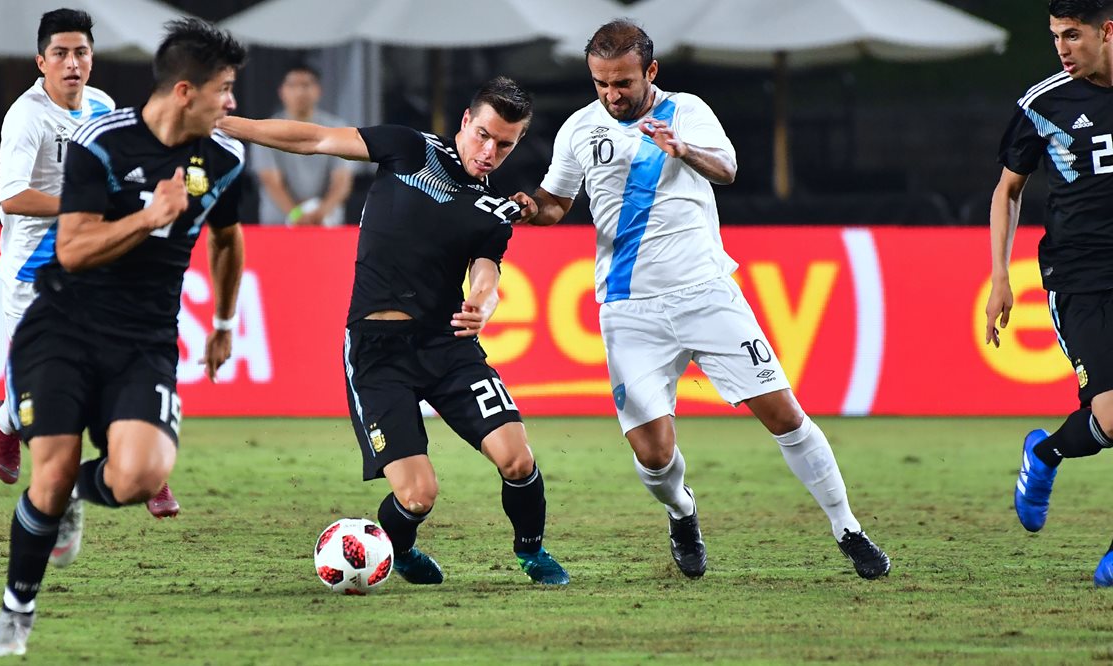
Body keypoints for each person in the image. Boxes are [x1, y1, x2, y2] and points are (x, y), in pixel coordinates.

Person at [518, 20, 889, 581]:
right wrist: (531, 208)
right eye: (600, 83)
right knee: (654, 455)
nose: (611, 95)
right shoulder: (578, 129)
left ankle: (848, 529)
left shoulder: (686, 111)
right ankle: (682, 511)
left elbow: (729, 169)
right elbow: (556, 203)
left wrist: (681, 149)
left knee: (784, 414)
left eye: (622, 83)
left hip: (706, 294)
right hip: (628, 309)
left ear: (651, 71)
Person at [217, 76, 569, 587]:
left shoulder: (493, 210)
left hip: (448, 347)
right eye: (484, 135)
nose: (490, 152)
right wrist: (225, 123)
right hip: (378, 353)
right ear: (466, 122)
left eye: (506, 144)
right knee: (418, 495)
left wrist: (484, 306)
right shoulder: (408, 148)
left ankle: (532, 552)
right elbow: (314, 139)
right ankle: (400, 550)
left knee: (517, 459)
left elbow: (487, 270)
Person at [0, 18, 248, 657]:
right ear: (185, 91)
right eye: (224, 89)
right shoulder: (102, 141)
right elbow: (70, 249)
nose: (232, 104)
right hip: (63, 327)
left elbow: (227, 237)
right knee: (45, 476)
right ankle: (17, 611)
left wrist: (222, 323)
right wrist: (148, 216)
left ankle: (77, 487)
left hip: (146, 338)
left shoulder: (225, 158)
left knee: (139, 475)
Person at [0, 8, 180, 520]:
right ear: (41, 62)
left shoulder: (102, 106)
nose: (72, 63)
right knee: (36, 390)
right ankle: (6, 421)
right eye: (60, 54)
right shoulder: (25, 117)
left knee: (122, 357)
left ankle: (150, 469)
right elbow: (13, 197)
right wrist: (82, 203)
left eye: (81, 52)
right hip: (31, 271)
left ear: (92, 60)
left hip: (92, 262)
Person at [987, 0, 1113, 586]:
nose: (1062, 48)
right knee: (1111, 416)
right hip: (1080, 277)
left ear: (1106, 32)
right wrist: (1000, 277)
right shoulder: (1045, 104)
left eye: (1073, 35)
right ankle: (1045, 455)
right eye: (1056, 36)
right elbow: (1008, 191)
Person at [252, 64, 355, 226]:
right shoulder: (266, 130)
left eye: (306, 85)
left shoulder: (338, 128)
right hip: (278, 224)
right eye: (292, 85)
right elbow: (271, 181)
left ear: (319, 90)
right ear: (281, 91)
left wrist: (321, 213)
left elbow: (342, 181)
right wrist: (296, 214)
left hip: (325, 224)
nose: (300, 92)